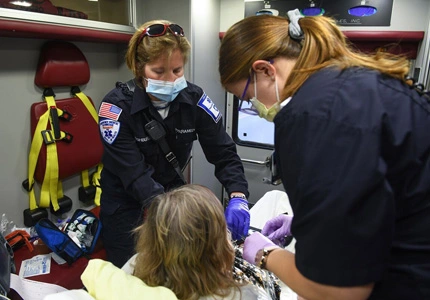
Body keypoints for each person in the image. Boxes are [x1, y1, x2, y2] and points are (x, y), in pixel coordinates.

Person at [218, 8, 430, 300]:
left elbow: (337, 291)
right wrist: (309, 224)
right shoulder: (355, 84)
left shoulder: (313, 116)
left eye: (246, 98)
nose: (254, 107)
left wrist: (266, 254)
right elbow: (378, 192)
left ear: (265, 70)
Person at [98, 19, 250, 267]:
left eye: (177, 71)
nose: (170, 80)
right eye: (159, 72)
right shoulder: (115, 109)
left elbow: (223, 152)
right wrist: (179, 215)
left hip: (170, 193)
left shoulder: (194, 99)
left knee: (176, 271)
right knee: (130, 272)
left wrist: (238, 195)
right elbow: (136, 177)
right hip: (125, 204)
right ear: (138, 67)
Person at [129, 184, 277, 300]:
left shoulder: (135, 266)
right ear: (217, 249)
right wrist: (272, 257)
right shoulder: (244, 295)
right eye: (224, 230)